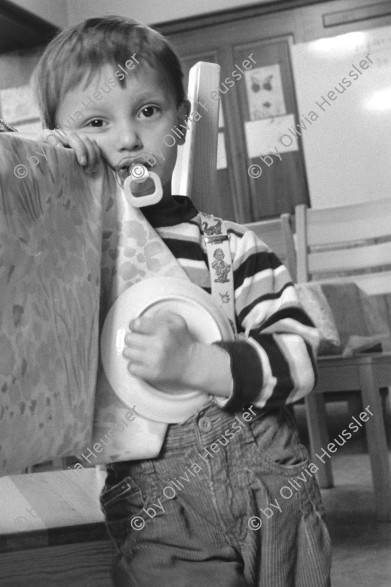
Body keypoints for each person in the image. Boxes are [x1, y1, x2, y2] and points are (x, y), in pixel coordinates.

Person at [31, 15, 331, 586]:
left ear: (181, 121)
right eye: (95, 122)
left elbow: (301, 358)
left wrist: (202, 363)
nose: (127, 138)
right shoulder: (67, 257)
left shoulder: (235, 246)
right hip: (157, 507)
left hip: (269, 484)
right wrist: (46, 166)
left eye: (148, 111)